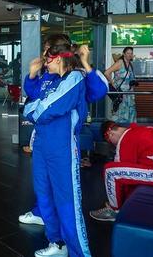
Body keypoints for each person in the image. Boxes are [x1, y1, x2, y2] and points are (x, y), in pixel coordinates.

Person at [19, 34, 108, 226]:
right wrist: (32, 75)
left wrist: (85, 63)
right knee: (42, 184)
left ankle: (65, 232)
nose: (43, 54)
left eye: (47, 49)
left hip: (63, 139)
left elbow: (99, 91)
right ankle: (43, 215)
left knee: (63, 190)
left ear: (58, 54)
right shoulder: (48, 74)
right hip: (43, 136)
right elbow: (33, 95)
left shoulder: (77, 76)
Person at [23, 45, 91, 257]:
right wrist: (35, 104)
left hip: (62, 147)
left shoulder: (75, 78)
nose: (45, 62)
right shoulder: (48, 80)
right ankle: (57, 243)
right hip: (42, 145)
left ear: (60, 59)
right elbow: (28, 103)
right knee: (43, 195)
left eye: (48, 59)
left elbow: (47, 108)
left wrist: (35, 109)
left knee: (67, 201)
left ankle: (79, 253)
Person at [89, 121, 153, 221]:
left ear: (110, 134)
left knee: (110, 171)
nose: (113, 145)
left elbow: (123, 180)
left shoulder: (125, 140)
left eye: (110, 142)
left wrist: (123, 201)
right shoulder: (141, 129)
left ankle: (114, 210)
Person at [104, 47, 137, 123]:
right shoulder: (120, 63)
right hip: (120, 94)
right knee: (120, 114)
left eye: (131, 53)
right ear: (124, 54)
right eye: (128, 53)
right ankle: (119, 132)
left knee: (130, 114)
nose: (130, 55)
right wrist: (112, 82)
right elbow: (106, 73)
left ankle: (129, 132)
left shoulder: (130, 64)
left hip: (129, 95)